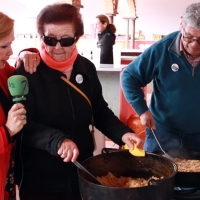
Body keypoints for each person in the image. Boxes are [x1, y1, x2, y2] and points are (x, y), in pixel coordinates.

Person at [14, 3, 144, 200]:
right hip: (39, 176)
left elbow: (99, 110)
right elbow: (23, 124)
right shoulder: (28, 72)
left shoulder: (86, 68)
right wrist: (58, 140)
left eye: (66, 40)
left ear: (77, 38)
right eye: (50, 39)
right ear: (41, 37)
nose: (57, 47)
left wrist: (123, 134)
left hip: (81, 169)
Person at [121, 2, 200, 154]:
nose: (195, 44)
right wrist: (142, 110)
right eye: (189, 37)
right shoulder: (163, 48)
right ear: (181, 24)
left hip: (198, 136)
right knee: (157, 175)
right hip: (163, 132)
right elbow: (129, 76)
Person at [0, 12, 39, 200]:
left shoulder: (2, 70)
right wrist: (7, 132)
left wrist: (26, 54)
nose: (10, 52)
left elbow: (16, 69)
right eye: (4, 46)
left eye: (11, 44)